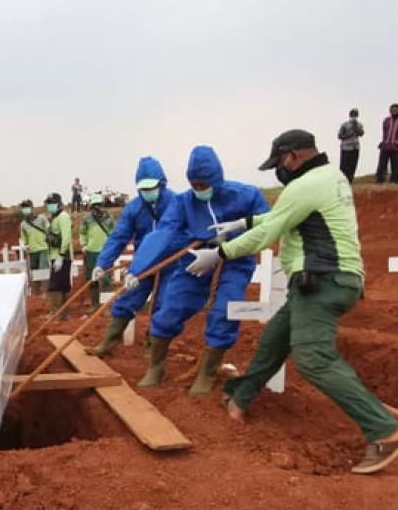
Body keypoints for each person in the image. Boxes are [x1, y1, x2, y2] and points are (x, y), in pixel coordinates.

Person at [186, 129, 398, 475]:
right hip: (330, 280)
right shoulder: (329, 177)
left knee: (313, 359)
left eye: (279, 161)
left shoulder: (305, 185)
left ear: (292, 156)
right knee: (274, 341)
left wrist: (218, 253)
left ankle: (385, 433)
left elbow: (270, 232)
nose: (279, 168)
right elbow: (279, 217)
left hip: (322, 281)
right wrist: (240, 223)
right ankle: (240, 397)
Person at [125, 146, 269, 390]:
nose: (199, 190)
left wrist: (236, 233)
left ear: (216, 179)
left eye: (204, 184)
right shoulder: (183, 202)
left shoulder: (246, 195)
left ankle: (207, 373)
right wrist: (137, 270)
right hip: (196, 260)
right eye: (195, 185)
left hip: (233, 261)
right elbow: (163, 233)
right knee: (170, 306)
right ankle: (156, 367)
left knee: (226, 309)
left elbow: (267, 224)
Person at [86, 156, 175, 357]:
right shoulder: (133, 208)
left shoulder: (176, 203)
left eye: (151, 187)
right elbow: (119, 238)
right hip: (142, 265)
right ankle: (108, 344)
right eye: (143, 189)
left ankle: (153, 346)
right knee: (127, 299)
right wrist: (102, 263)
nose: (147, 192)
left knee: (163, 304)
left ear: (162, 183)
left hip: (171, 263)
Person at [79, 194, 114, 311]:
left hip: (105, 252)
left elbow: (115, 234)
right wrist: (84, 245)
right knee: (91, 278)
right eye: (94, 206)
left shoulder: (109, 218)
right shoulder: (87, 219)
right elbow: (83, 232)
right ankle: (94, 304)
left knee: (106, 279)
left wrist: (112, 248)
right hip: (91, 252)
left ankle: (106, 306)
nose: (97, 208)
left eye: (98, 205)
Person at [44, 193, 73, 316]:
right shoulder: (55, 217)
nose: (50, 206)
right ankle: (61, 312)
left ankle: (57, 312)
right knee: (60, 284)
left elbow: (66, 237)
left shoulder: (63, 217)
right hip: (55, 255)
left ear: (59, 203)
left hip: (61, 256)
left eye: (53, 203)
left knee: (56, 285)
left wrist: (60, 256)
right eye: (49, 203)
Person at [18, 199, 51, 296]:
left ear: (32, 208)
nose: (25, 210)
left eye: (27, 207)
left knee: (43, 271)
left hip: (43, 249)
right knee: (35, 273)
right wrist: (23, 245)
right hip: (32, 251)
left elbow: (49, 229)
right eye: (23, 208)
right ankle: (36, 295)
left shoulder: (42, 218)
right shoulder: (23, 224)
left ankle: (46, 294)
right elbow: (24, 238)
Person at [376, 103, 398, 184]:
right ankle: (380, 179)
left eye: (395, 109)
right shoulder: (386, 120)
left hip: (396, 146)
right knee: (382, 164)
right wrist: (383, 142)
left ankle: (394, 180)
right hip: (386, 145)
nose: (394, 111)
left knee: (395, 164)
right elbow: (384, 132)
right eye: (392, 110)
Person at [337, 108, 364, 182]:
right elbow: (340, 136)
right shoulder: (344, 125)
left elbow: (361, 133)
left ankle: (350, 180)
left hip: (355, 147)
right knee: (344, 165)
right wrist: (350, 134)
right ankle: (342, 180)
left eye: (355, 114)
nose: (354, 116)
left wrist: (356, 128)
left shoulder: (359, 125)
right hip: (345, 147)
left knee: (353, 165)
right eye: (353, 114)